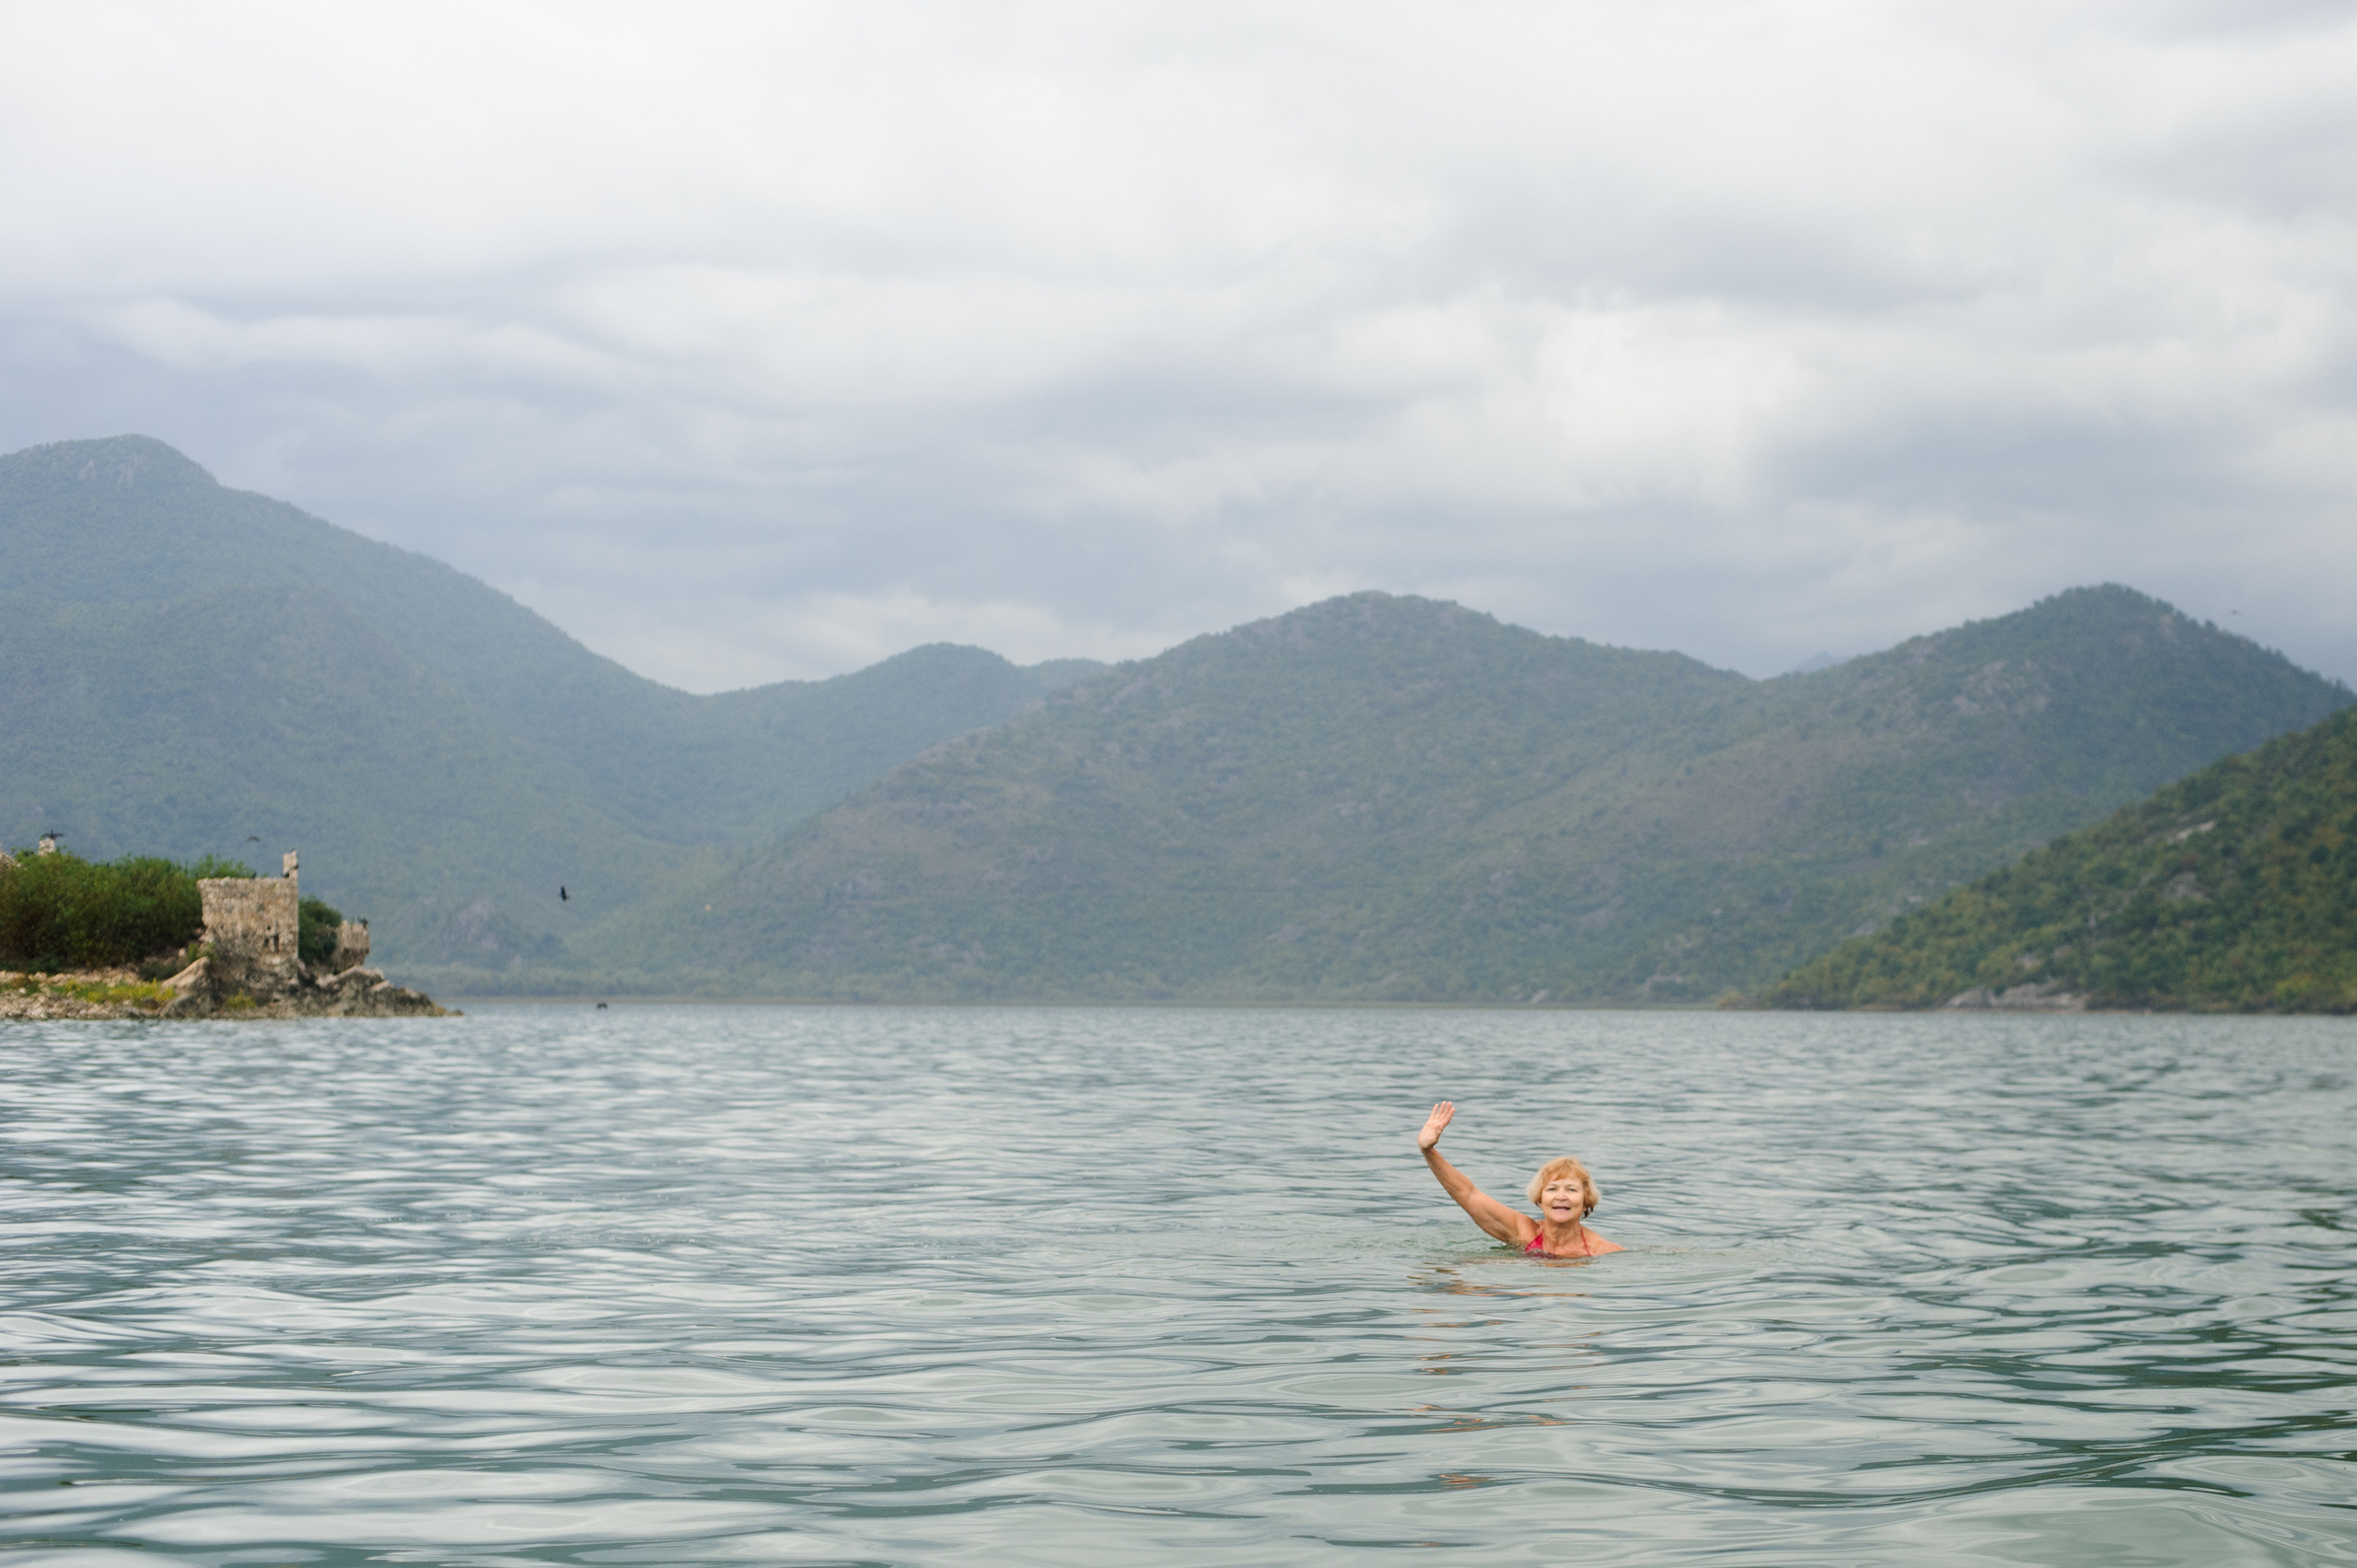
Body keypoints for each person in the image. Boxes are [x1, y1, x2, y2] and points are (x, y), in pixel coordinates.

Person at [1416, 1100, 1622, 1258]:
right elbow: (1468, 1195)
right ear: (1539, 1200)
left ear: (1587, 1200)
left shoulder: (1601, 1250)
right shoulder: (1523, 1231)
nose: (1561, 1196)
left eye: (1571, 1189)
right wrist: (1428, 1150)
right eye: (1552, 1189)